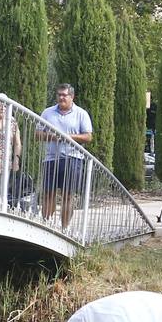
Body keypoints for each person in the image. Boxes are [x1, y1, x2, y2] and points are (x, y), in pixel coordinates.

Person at [38, 84, 93, 227]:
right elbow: (37, 134)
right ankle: (47, 225)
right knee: (48, 194)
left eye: (64, 95)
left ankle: (64, 228)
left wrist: (68, 137)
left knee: (67, 195)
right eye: (59, 95)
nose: (61, 98)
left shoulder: (81, 114)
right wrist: (53, 136)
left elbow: (88, 137)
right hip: (51, 158)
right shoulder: (47, 113)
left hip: (73, 159)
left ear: (72, 97)